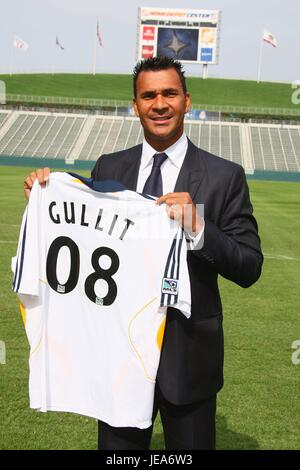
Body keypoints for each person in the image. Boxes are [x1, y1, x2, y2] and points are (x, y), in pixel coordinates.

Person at [23, 56, 263, 450]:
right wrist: (43, 199)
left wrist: (198, 226)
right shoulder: (108, 167)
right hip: (117, 360)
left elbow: (249, 265)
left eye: (169, 93)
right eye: (148, 95)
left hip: (187, 363)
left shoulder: (225, 176)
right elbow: (78, 241)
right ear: (135, 106)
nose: (159, 103)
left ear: (187, 101)